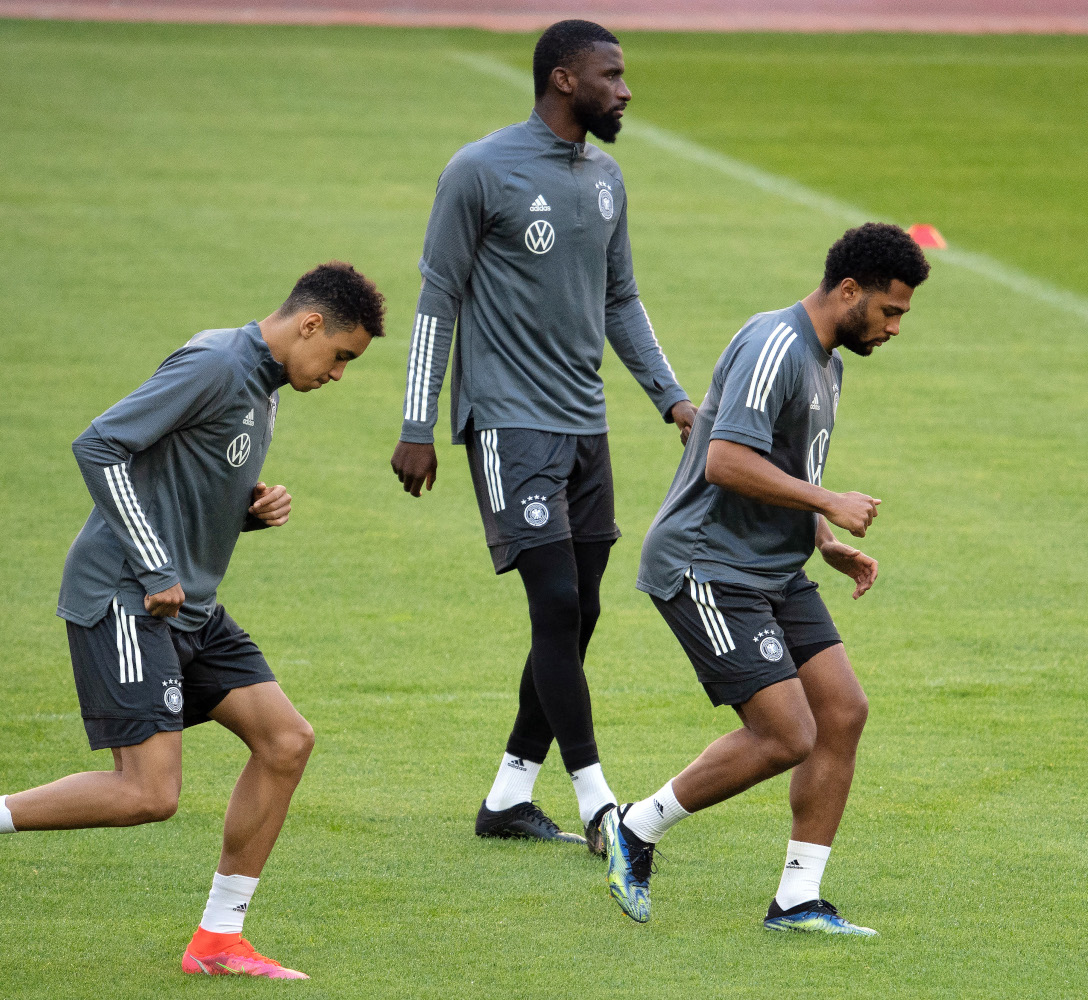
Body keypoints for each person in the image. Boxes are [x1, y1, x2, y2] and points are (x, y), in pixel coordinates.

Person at [0, 262, 386, 978]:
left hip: (187, 605)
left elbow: (180, 484)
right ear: (310, 325)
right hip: (126, 595)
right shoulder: (217, 363)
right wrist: (154, 567)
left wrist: (243, 515)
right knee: (147, 794)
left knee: (285, 741)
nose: (340, 373)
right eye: (342, 355)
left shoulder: (264, 388)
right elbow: (100, 444)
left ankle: (218, 940)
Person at [390, 19, 696, 852]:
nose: (626, 89)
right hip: (506, 422)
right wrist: (418, 424)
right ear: (565, 79)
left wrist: (672, 401)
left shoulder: (607, 177)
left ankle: (507, 797)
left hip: (583, 423)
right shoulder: (480, 169)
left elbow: (620, 300)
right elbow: (436, 297)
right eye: (612, 75)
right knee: (557, 605)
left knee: (581, 609)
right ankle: (603, 806)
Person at [600, 223, 929, 934]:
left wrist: (822, 537)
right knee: (786, 734)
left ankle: (797, 900)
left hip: (771, 567)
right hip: (705, 566)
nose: (896, 327)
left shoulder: (828, 362)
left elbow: (784, 469)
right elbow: (724, 460)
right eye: (891, 310)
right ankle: (634, 827)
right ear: (849, 291)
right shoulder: (775, 345)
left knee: (842, 712)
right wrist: (828, 500)